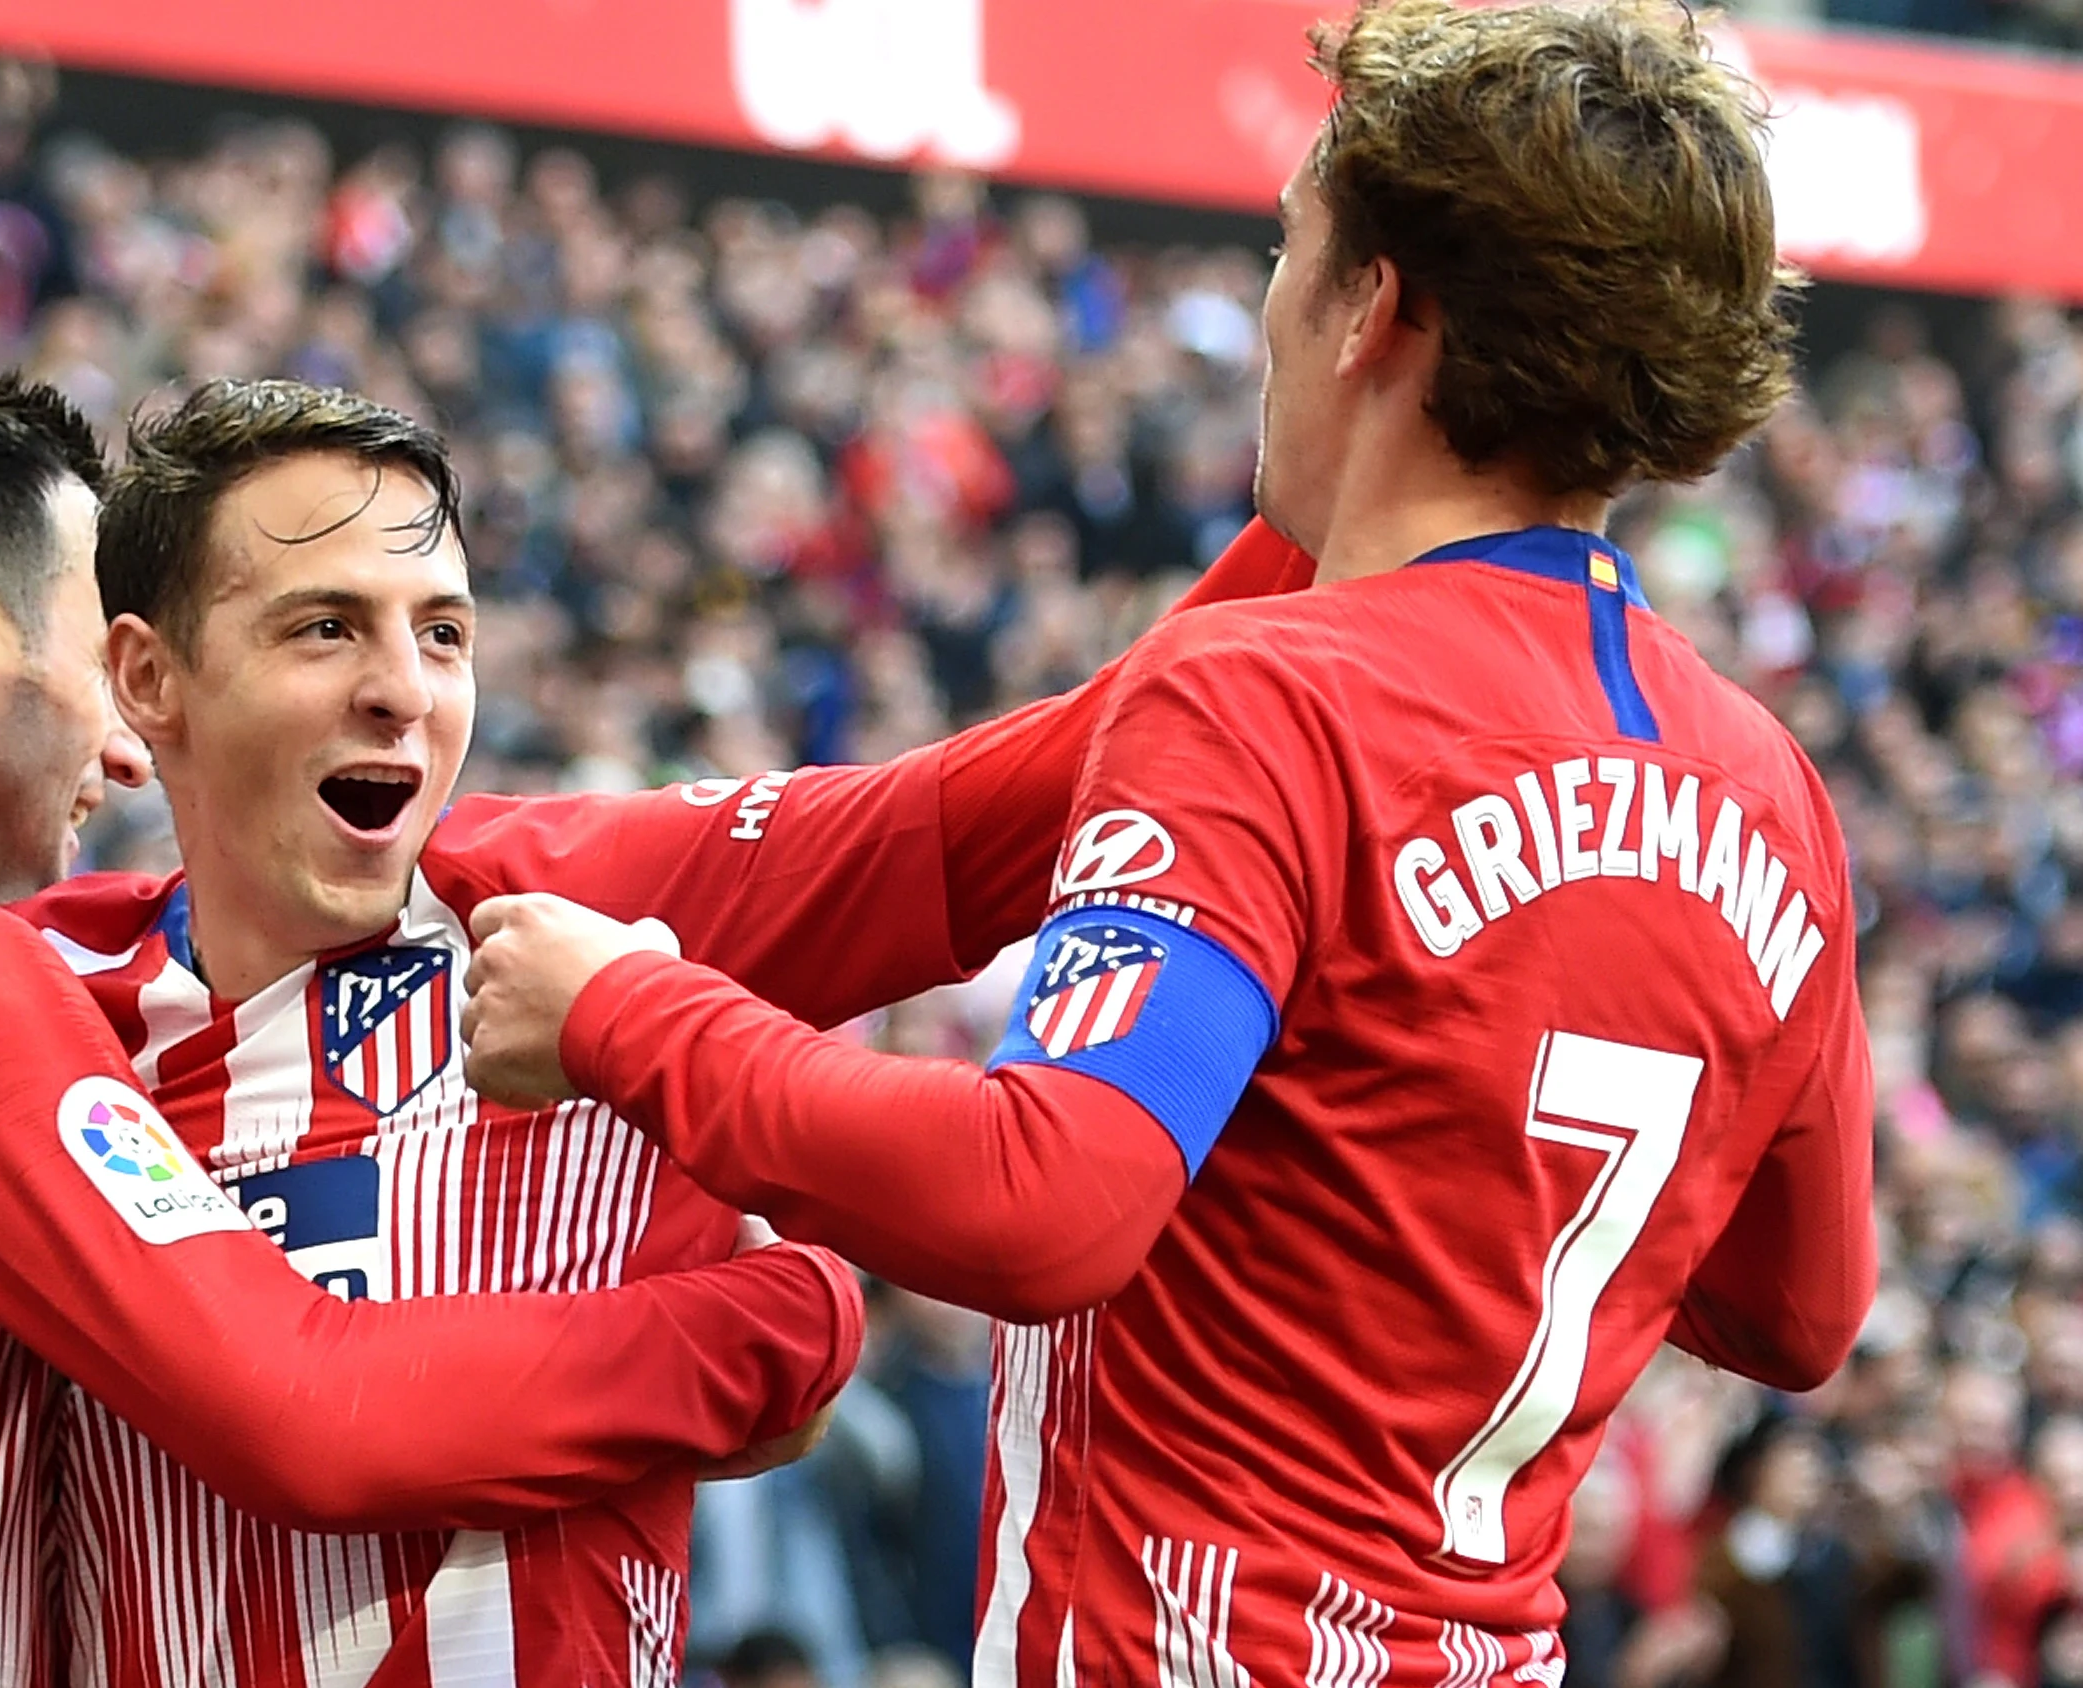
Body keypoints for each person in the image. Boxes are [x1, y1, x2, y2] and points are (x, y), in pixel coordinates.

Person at [455, 1, 1875, 1682]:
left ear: (1373, 308)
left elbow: (1047, 1202)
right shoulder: (1771, 787)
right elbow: (1799, 1311)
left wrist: (631, 1020)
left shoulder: (1266, 694)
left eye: (1289, 247)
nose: (1265, 303)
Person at [0, 374, 1315, 1685]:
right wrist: (765, 1328)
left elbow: (1040, 786)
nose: (404, 684)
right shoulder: (42, 996)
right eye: (327, 627)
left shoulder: (589, 906)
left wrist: (1366, 492)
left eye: (443, 631)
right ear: (150, 685)